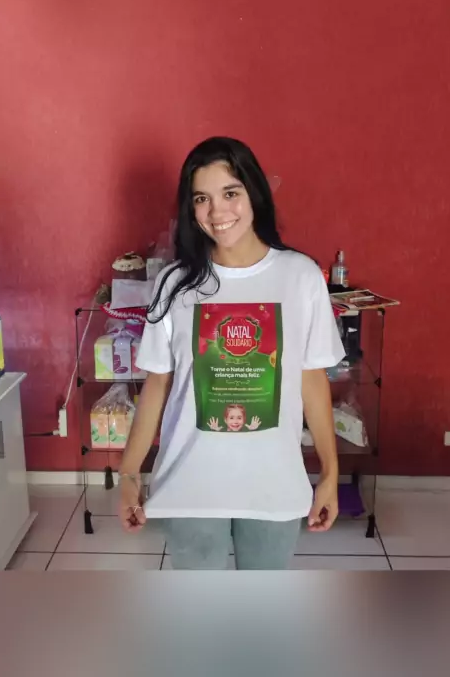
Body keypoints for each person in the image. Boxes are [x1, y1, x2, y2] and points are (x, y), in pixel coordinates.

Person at [118, 137, 345, 569]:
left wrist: (330, 474)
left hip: (274, 485)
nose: (217, 212)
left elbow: (312, 380)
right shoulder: (175, 284)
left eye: (230, 193)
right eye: (201, 198)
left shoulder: (300, 277)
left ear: (254, 193)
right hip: (189, 484)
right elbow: (157, 384)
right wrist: (129, 473)